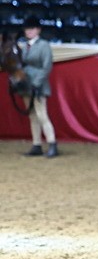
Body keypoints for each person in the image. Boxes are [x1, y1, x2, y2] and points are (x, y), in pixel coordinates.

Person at [19, 18, 58, 158]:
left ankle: (52, 143)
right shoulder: (24, 46)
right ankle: (36, 144)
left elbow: (46, 67)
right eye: (27, 29)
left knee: (42, 115)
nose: (28, 31)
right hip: (26, 85)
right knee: (32, 116)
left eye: (32, 28)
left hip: (38, 85)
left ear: (38, 30)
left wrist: (36, 82)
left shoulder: (44, 46)